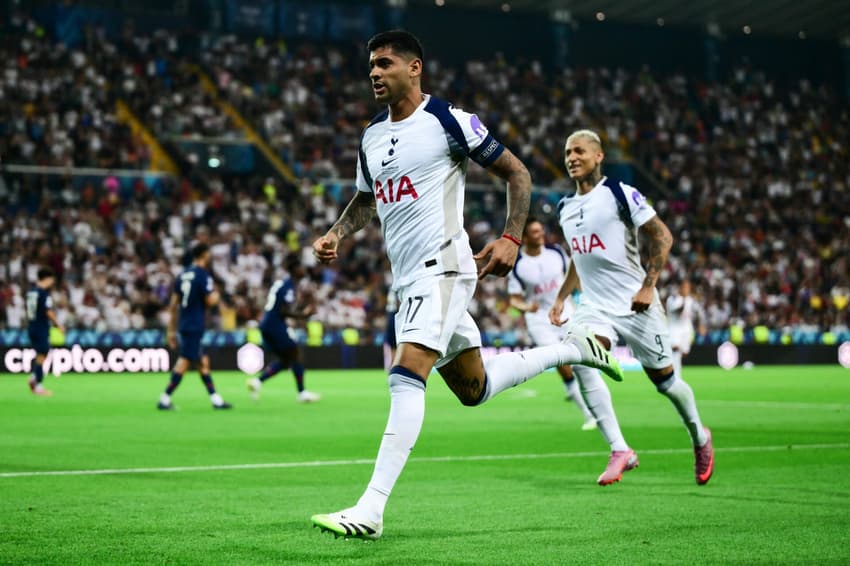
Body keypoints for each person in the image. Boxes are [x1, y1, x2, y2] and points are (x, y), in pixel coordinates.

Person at [309, 30, 622, 541]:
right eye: (370, 65)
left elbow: (516, 172)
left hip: (445, 267)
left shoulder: (446, 120)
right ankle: (574, 350)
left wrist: (510, 238)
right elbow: (368, 199)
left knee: (407, 373)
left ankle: (371, 508)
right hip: (408, 277)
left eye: (384, 63)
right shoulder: (370, 136)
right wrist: (336, 232)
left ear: (414, 68)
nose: (373, 72)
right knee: (473, 389)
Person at [549, 129, 714, 487]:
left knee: (667, 383)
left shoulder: (619, 194)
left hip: (636, 305)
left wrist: (648, 286)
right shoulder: (565, 208)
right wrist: (562, 296)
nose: (571, 157)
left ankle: (699, 436)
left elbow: (662, 236)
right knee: (577, 357)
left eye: (579, 151)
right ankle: (619, 448)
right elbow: (580, 258)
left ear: (598, 156)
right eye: (567, 152)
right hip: (594, 307)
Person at [507, 218, 598, 431]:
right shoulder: (518, 264)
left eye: (541, 231)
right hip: (539, 320)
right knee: (560, 360)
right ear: (526, 237)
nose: (539, 235)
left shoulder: (556, 252)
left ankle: (591, 403)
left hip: (566, 311)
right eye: (534, 232)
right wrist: (525, 307)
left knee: (582, 359)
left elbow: (573, 276)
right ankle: (587, 413)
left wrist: (583, 295)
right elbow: (514, 298)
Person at [158, 243, 232, 410]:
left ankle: (216, 399)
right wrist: (218, 293)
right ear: (204, 255)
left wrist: (170, 330)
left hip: (184, 323)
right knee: (184, 362)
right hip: (195, 324)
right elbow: (210, 301)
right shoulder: (203, 275)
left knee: (202, 362)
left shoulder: (183, 275)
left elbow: (173, 305)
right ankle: (164, 398)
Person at [247, 255, 320, 403]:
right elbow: (283, 311)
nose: (303, 270)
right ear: (294, 269)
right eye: (300, 267)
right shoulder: (288, 285)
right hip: (274, 324)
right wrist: (303, 315)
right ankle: (302, 393)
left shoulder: (283, 284)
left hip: (267, 324)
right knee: (296, 353)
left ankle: (257, 382)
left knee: (286, 360)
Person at [25, 267, 65, 396]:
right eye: (51, 280)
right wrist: (59, 325)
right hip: (41, 327)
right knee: (43, 354)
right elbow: (48, 311)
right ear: (47, 279)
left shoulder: (31, 292)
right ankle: (38, 385)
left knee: (40, 355)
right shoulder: (43, 293)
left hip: (31, 326)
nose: (52, 283)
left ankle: (33, 378)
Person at [666, 280, 705, 377]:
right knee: (675, 349)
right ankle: (676, 375)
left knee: (683, 352)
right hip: (674, 328)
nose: (686, 289)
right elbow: (678, 312)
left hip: (687, 329)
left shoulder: (691, 300)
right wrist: (683, 301)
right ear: (680, 287)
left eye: (688, 287)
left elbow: (698, 313)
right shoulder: (673, 299)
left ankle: (674, 369)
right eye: (684, 287)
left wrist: (701, 325)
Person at [382, 289, 398, 371]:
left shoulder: (398, 286)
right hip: (390, 313)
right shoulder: (391, 289)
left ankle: (395, 363)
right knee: (392, 343)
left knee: (395, 342)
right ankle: (393, 363)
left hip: (396, 313)